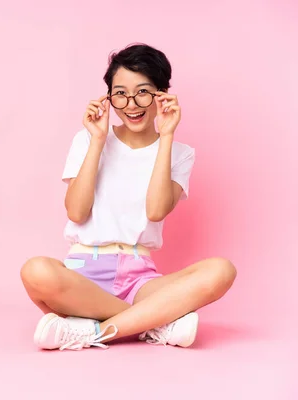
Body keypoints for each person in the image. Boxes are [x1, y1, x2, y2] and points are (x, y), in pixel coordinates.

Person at [20, 43, 237, 351]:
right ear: (109, 97)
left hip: (141, 281)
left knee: (221, 270)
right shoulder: (87, 139)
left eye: (143, 92)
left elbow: (156, 211)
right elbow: (77, 212)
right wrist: (97, 140)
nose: (131, 103)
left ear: (162, 93)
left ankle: (91, 332)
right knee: (36, 270)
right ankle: (155, 323)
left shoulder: (179, 153)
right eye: (120, 93)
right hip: (83, 275)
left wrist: (167, 135)